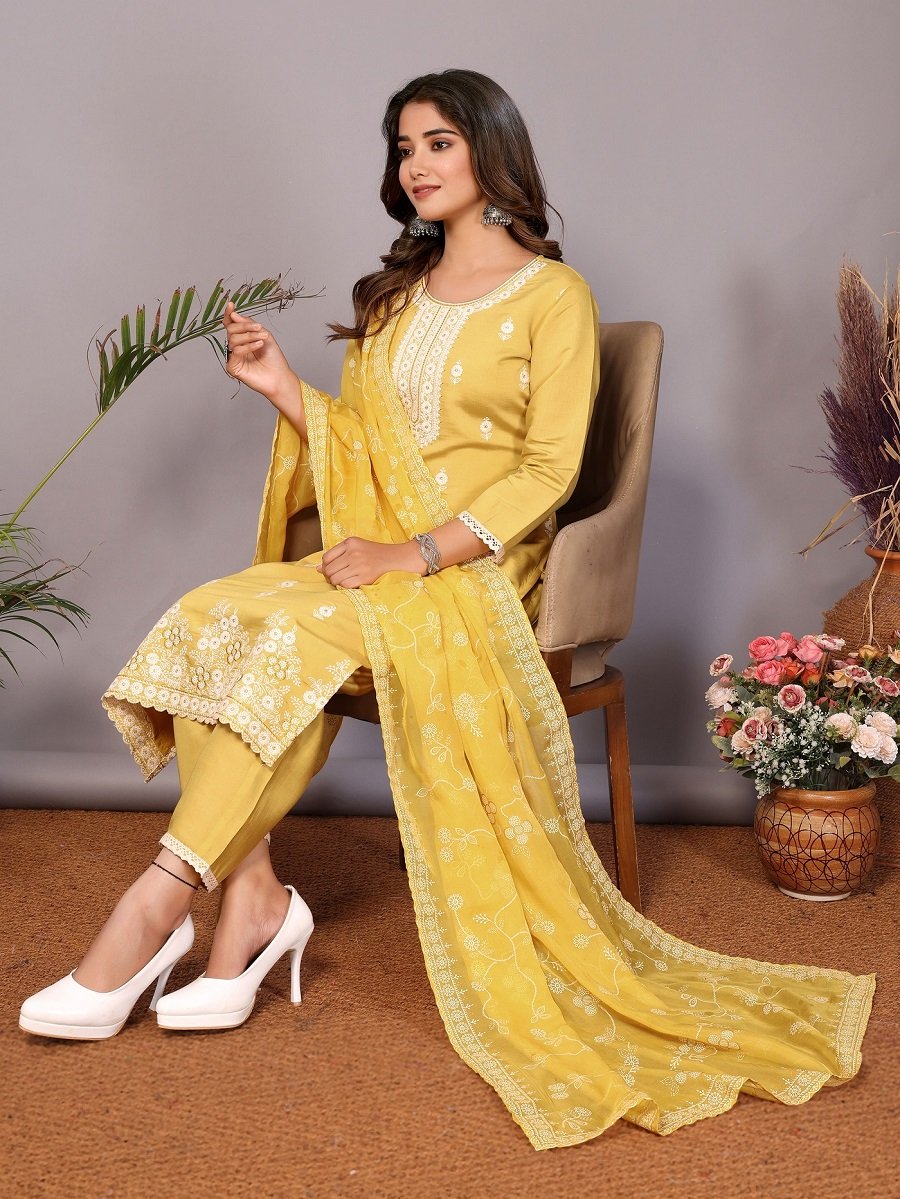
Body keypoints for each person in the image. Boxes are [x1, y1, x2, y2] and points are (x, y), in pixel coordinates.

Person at [20, 69, 875, 1151]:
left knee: (282, 636)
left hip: (476, 575)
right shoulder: (394, 296)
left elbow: (548, 472)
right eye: (403, 147)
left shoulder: (554, 298)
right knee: (213, 614)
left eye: (438, 142)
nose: (416, 164)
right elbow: (371, 453)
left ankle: (154, 904)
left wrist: (415, 552)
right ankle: (255, 900)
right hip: (376, 554)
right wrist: (284, 389)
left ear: (489, 150)